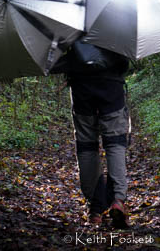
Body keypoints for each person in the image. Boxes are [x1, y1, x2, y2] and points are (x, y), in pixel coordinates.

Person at [51, 39, 130, 228]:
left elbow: (56, 59)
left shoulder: (68, 20)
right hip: (112, 89)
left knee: (87, 145)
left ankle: (96, 210)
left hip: (81, 89)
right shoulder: (115, 19)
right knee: (115, 143)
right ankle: (117, 200)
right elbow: (125, 60)